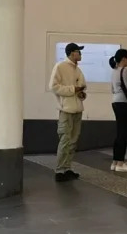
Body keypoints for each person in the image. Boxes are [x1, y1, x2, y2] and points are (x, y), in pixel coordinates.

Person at [50, 43, 86, 182]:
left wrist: (81, 93)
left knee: (73, 140)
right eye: (78, 52)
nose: (81, 54)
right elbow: (53, 86)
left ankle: (67, 168)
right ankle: (60, 170)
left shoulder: (78, 70)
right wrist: (73, 90)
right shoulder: (60, 67)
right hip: (66, 109)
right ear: (71, 53)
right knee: (65, 139)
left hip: (77, 109)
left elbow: (81, 87)